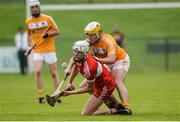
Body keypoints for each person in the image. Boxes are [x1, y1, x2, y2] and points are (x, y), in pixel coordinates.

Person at [46, 40, 131, 115]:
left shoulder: (89, 68)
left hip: (105, 86)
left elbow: (89, 88)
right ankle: (116, 104)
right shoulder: (80, 57)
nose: (76, 54)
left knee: (86, 113)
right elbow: (74, 61)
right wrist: (69, 80)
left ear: (84, 53)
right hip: (100, 81)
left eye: (78, 52)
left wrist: (71, 93)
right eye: (75, 51)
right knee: (82, 86)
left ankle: (118, 110)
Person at [84, 21, 132, 111]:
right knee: (87, 85)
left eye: (92, 35)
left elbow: (112, 59)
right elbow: (78, 55)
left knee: (117, 81)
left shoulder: (108, 40)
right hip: (104, 62)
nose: (89, 37)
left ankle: (126, 106)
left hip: (119, 59)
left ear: (98, 33)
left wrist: (96, 60)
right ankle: (116, 104)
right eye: (87, 34)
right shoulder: (87, 42)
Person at [25, 0, 60, 104]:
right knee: (38, 71)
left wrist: (47, 34)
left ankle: (57, 95)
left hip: (49, 50)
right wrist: (28, 46)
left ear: (39, 7)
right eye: (32, 7)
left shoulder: (48, 19)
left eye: (36, 7)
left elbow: (57, 31)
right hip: (37, 50)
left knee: (53, 73)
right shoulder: (28, 21)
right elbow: (29, 35)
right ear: (30, 9)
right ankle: (40, 97)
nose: (34, 9)